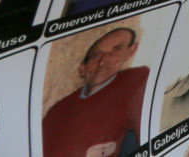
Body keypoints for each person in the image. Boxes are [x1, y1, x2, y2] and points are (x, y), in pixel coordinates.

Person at [41, 26, 147, 157]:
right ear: (82, 69)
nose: (103, 62)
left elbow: (148, 133)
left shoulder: (134, 80)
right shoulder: (56, 111)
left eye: (115, 50)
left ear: (131, 52)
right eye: (96, 55)